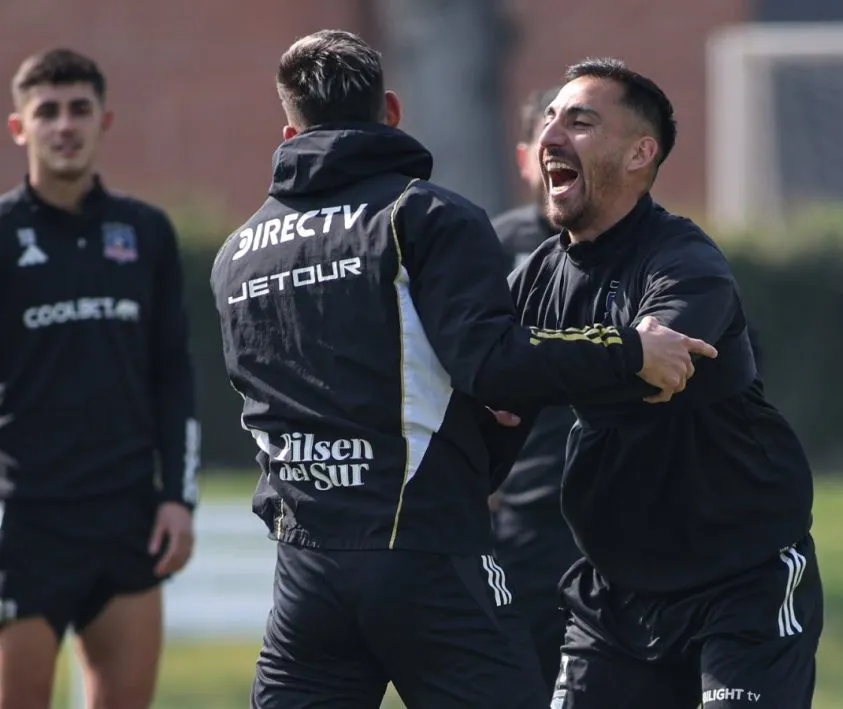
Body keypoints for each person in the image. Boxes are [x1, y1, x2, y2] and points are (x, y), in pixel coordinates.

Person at [209, 30, 716, 709]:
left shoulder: (236, 252)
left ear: (288, 130)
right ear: (390, 110)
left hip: (307, 570)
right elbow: (494, 364)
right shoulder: (423, 214)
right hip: (426, 553)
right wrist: (630, 352)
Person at [495, 58, 822, 709]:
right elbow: (489, 383)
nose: (553, 133)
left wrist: (528, 361)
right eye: (551, 118)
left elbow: (663, 368)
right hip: (614, 594)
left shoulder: (685, 260)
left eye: (580, 120)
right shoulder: (537, 274)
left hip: (741, 582)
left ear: (641, 153)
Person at [0, 49, 200, 709]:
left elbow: (174, 374)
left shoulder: (145, 233)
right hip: (22, 523)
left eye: (79, 109)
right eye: (47, 111)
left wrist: (178, 496)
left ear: (104, 119)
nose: (65, 125)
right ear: (19, 128)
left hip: (125, 519)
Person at [488, 85, 582, 692]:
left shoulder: (662, 254)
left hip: (618, 518)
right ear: (528, 158)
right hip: (519, 519)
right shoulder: (486, 248)